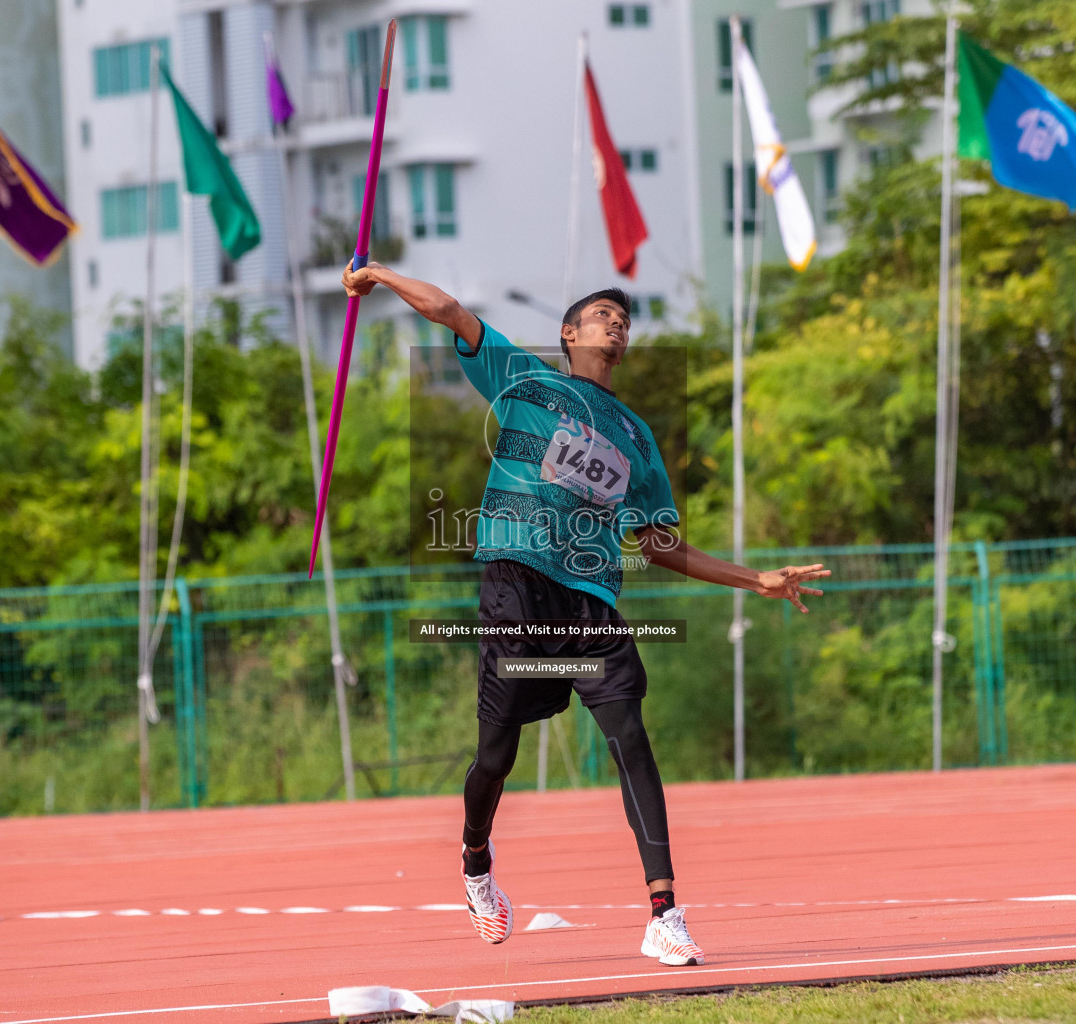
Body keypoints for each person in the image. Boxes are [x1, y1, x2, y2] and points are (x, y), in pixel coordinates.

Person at [342, 260, 830, 966]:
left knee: (630, 734)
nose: (618, 324)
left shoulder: (635, 436)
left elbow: (660, 544)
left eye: (624, 320)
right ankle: (475, 858)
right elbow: (449, 309)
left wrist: (756, 579)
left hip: (590, 602)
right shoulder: (522, 379)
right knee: (496, 753)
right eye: (604, 315)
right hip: (515, 581)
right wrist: (380, 275)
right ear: (569, 333)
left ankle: (665, 912)